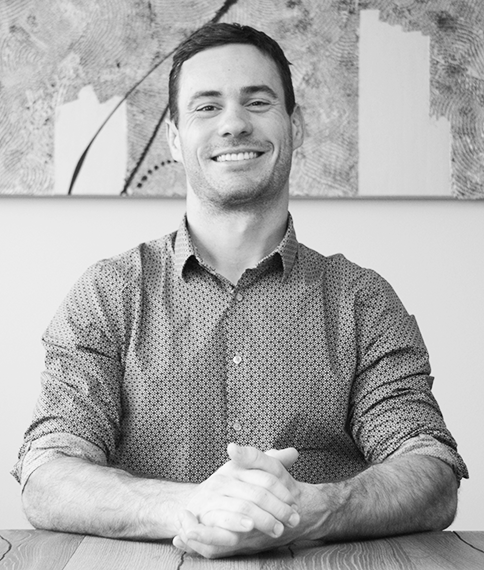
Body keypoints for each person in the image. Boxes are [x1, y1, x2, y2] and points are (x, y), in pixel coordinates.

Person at [13, 23, 467, 559]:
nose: (233, 124)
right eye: (207, 107)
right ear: (174, 139)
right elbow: (47, 473)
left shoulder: (363, 302)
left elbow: (430, 469)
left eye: (257, 101)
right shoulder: (107, 294)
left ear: (295, 125)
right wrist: (193, 507)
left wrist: (307, 510)